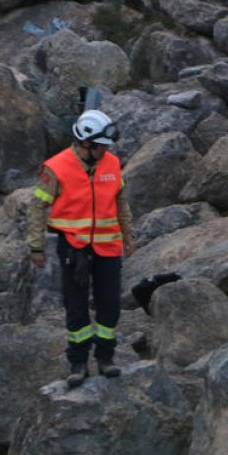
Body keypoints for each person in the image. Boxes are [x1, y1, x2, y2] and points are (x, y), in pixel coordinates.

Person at [28, 109, 135, 386]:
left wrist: (129, 236)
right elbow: (38, 207)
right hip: (73, 248)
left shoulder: (111, 163)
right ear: (86, 143)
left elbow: (121, 202)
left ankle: (105, 358)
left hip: (108, 246)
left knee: (109, 304)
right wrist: (36, 247)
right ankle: (78, 362)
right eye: (102, 146)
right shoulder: (56, 167)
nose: (106, 150)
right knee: (75, 307)